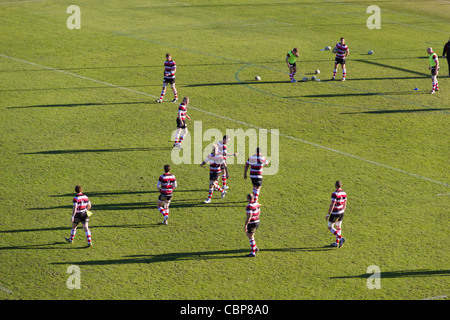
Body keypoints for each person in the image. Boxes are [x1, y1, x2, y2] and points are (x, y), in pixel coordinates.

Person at [325, 180, 347, 247]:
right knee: (338, 227)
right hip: (341, 212)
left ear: (335, 185)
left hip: (335, 213)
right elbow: (345, 204)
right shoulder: (344, 193)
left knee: (329, 226)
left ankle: (341, 238)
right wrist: (343, 211)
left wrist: (328, 214)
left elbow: (332, 204)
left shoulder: (335, 194)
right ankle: (336, 243)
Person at [244, 193, 260, 257]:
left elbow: (249, 216)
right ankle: (255, 248)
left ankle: (253, 252)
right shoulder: (257, 203)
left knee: (250, 237)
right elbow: (259, 211)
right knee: (249, 234)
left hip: (252, 223)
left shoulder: (249, 206)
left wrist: (246, 224)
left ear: (248, 198)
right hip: (257, 221)